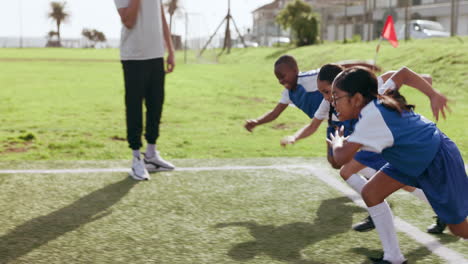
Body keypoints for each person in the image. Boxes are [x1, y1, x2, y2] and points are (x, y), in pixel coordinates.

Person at [281, 64, 448, 234]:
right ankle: (381, 212)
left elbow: (396, 75)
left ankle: (437, 210)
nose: (325, 97)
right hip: (370, 145)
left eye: (327, 91)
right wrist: (294, 137)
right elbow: (313, 126)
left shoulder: (367, 90)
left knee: (400, 182)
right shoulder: (329, 102)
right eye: (322, 92)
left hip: (391, 144)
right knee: (350, 171)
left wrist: (430, 91)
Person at [328, 67, 468, 264]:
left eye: (336, 97)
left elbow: (340, 157)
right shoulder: (375, 100)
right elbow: (403, 74)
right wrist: (432, 94)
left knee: (459, 228)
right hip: (411, 158)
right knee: (371, 193)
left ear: (357, 98)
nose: (332, 103)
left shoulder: (370, 118)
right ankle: (393, 258)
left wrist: (337, 142)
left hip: (436, 158)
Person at [114, 0, 176, 181]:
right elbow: (129, 21)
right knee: (134, 107)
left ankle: (151, 155)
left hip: (156, 55)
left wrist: (170, 50)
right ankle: (136, 159)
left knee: (156, 105)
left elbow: (161, 16)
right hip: (133, 56)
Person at [244, 55, 377, 134]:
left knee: (351, 157)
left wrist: (366, 65)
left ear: (295, 70)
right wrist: (257, 122)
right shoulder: (288, 94)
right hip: (334, 122)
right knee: (337, 160)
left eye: (283, 76)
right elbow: (274, 113)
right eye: (278, 78)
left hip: (350, 117)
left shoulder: (311, 78)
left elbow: (338, 67)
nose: (281, 81)